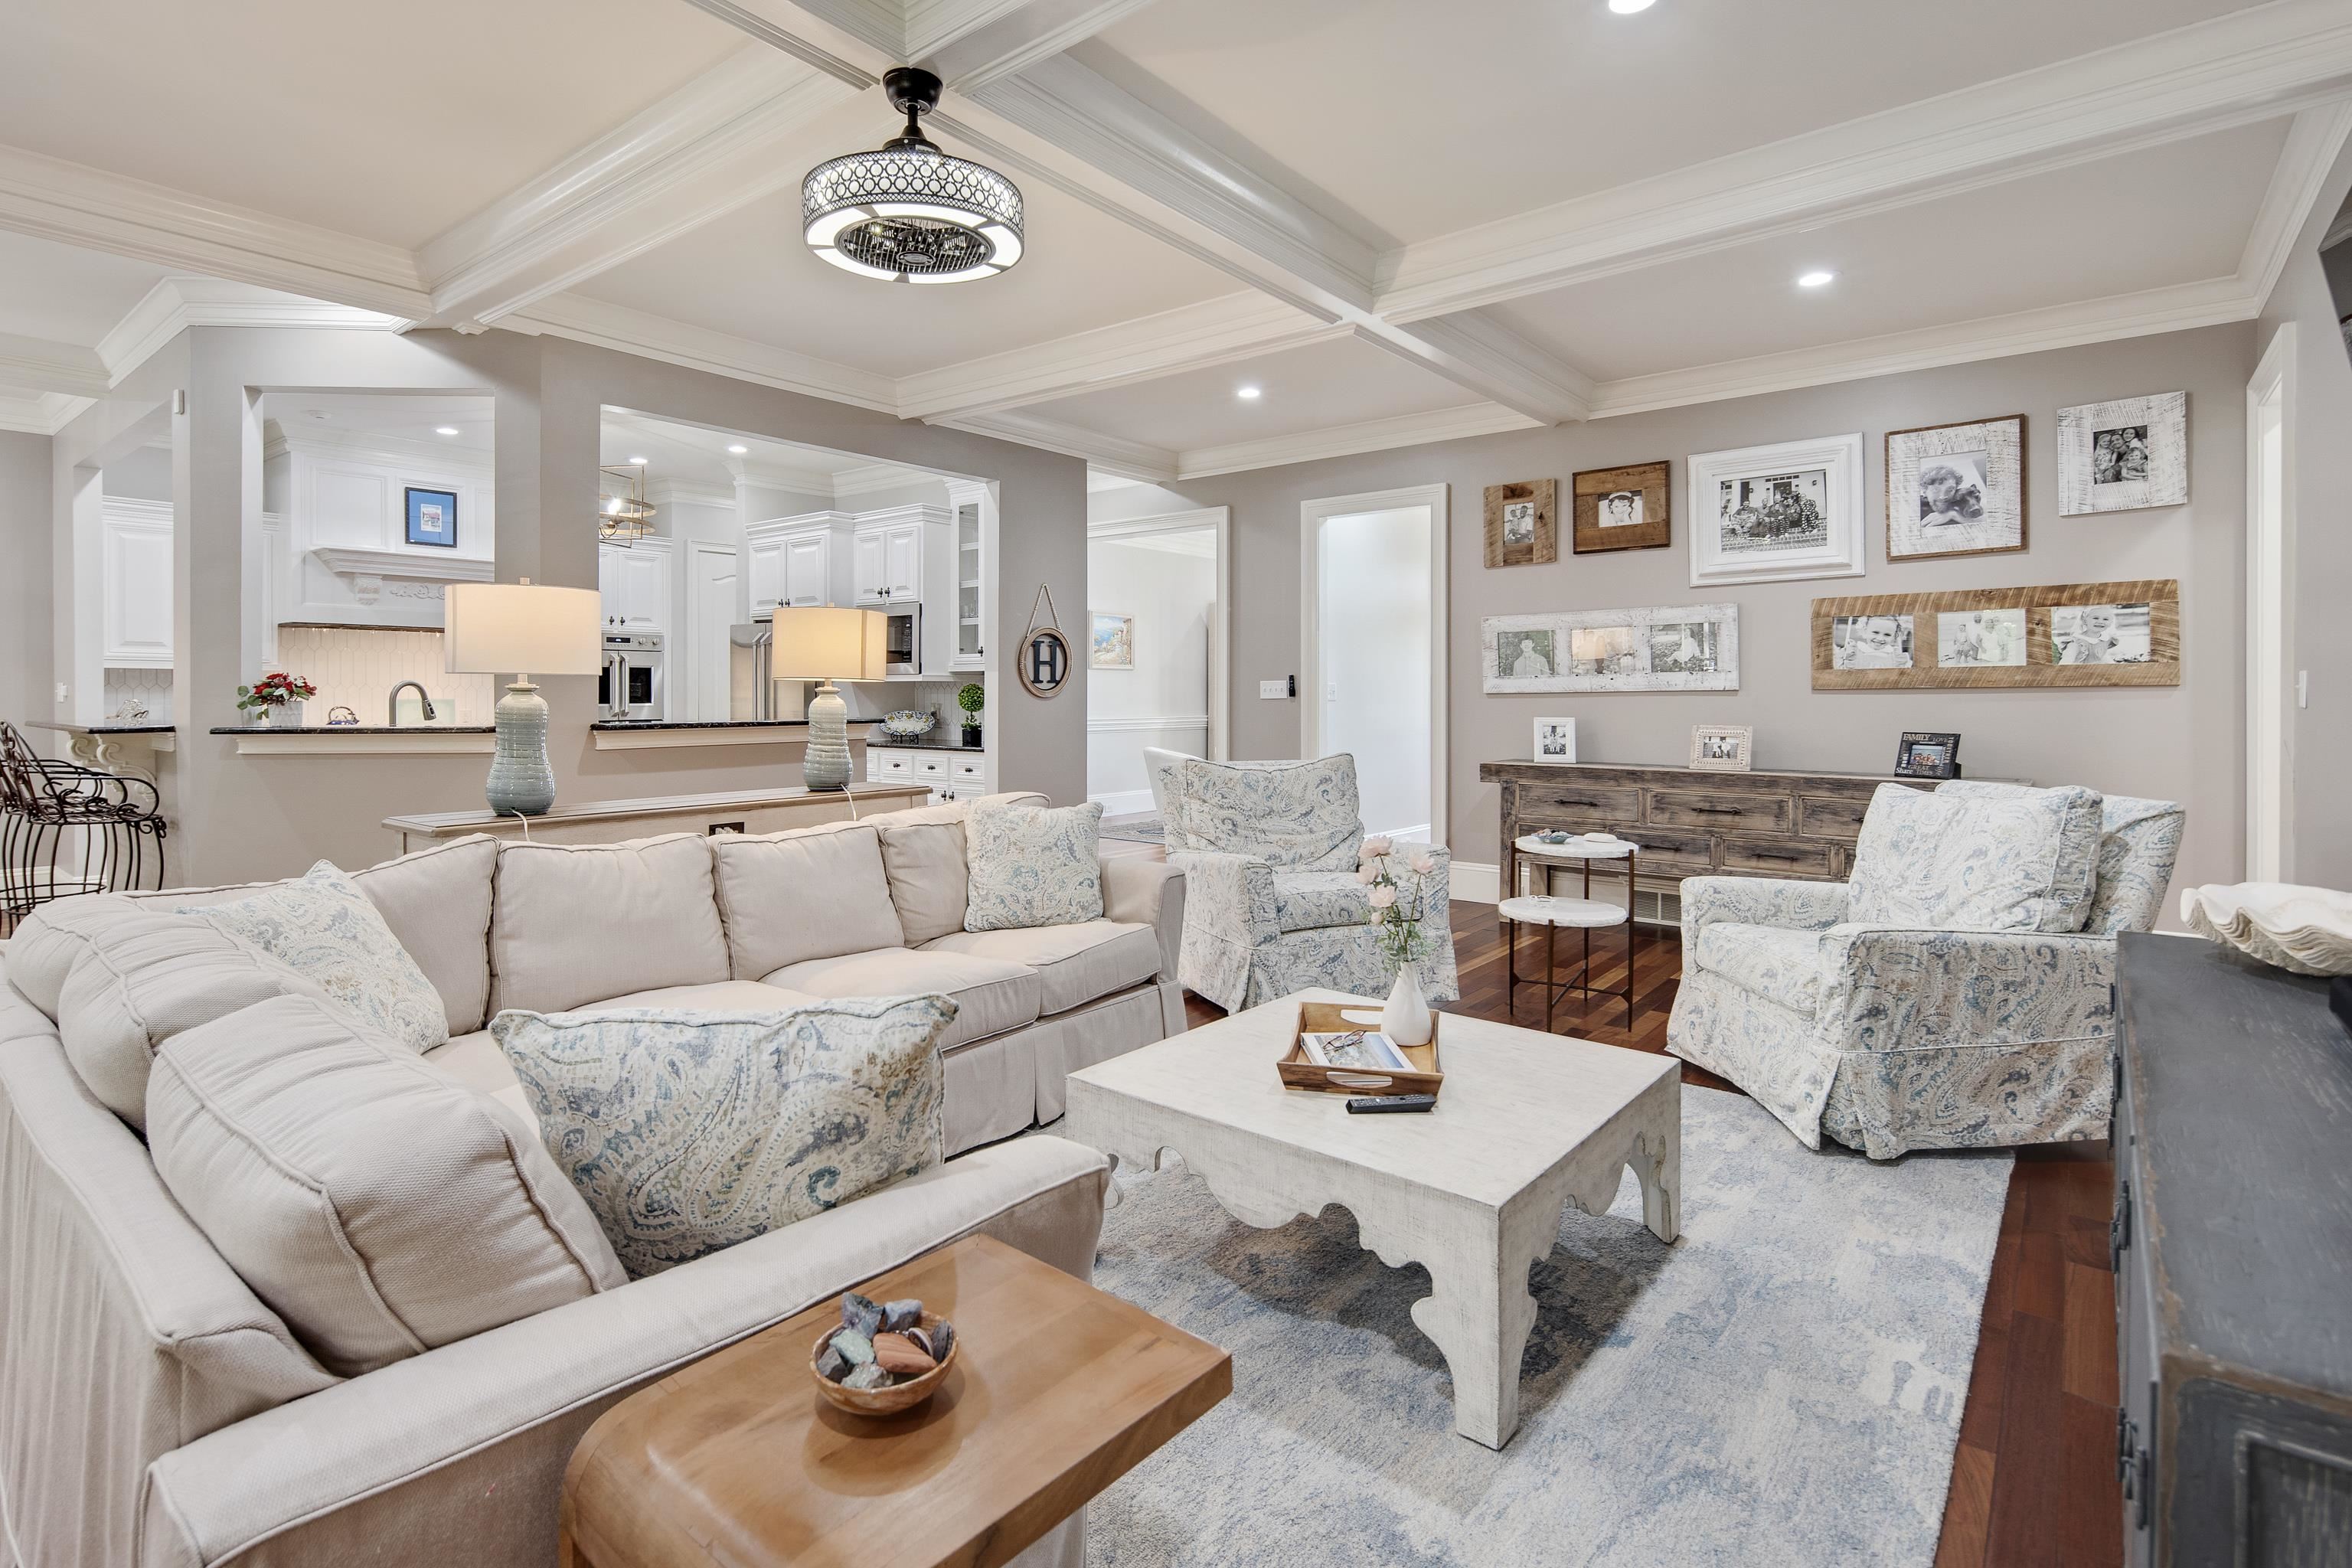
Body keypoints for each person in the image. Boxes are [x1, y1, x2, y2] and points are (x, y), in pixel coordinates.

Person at [1918, 462, 1981, 528]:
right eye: (1935, 490)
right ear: (1925, 492)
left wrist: (1953, 515)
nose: (1943, 496)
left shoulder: (1959, 503)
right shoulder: (1916, 507)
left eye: (1950, 489)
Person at [1837, 616, 1910, 669]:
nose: (1880, 638)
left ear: (1894, 637)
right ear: (1865, 631)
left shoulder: (1896, 656)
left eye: (1887, 635)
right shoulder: (1854, 652)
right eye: (1875, 632)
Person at [2058, 605, 2122, 665]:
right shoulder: (2077, 643)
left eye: (2105, 619)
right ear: (2085, 621)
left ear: (2110, 623)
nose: (2100, 622)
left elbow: (2103, 657)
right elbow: (2066, 661)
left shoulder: (2104, 640)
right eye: (2095, 618)